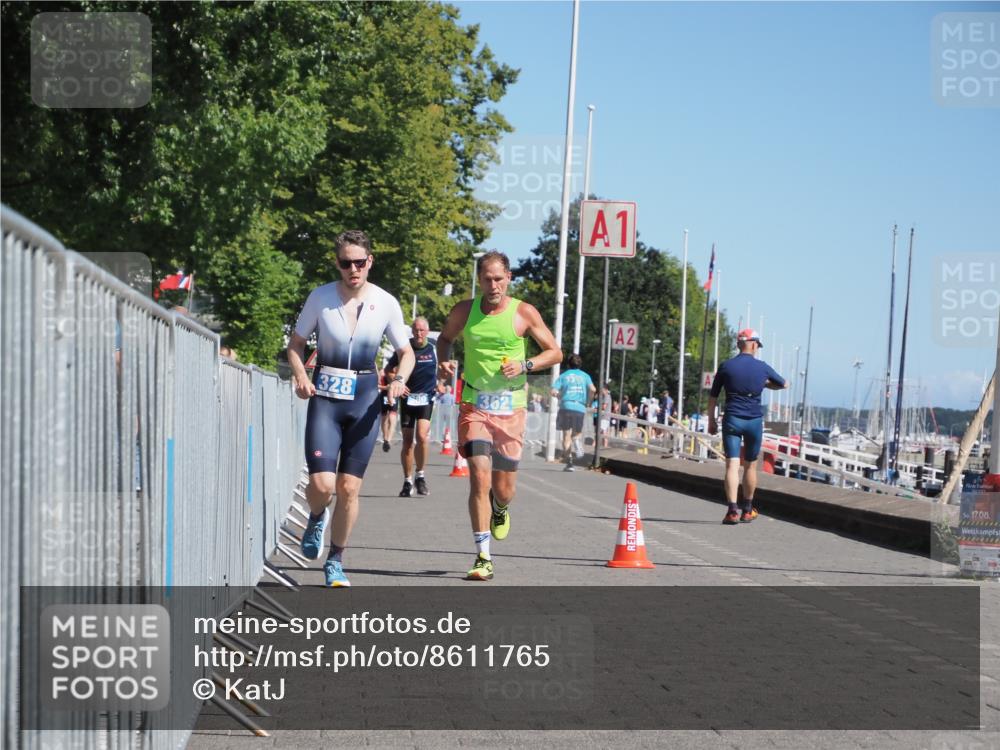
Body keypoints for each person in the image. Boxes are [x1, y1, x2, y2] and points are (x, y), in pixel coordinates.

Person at [287, 230, 414, 587]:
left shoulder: (386, 302)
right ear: (338, 264)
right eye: (346, 263)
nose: (353, 269)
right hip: (326, 399)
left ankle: (335, 560)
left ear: (370, 261)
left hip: (364, 401)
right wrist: (301, 375)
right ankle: (316, 516)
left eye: (359, 262)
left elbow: (406, 353)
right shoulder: (320, 297)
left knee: (348, 488)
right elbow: (295, 345)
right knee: (322, 484)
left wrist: (400, 379)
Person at [437, 251, 561, 581]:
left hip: (510, 409)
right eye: (487, 279)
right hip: (474, 404)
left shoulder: (524, 312)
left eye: (498, 279)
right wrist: (444, 361)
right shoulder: (464, 311)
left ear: (508, 278)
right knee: (479, 475)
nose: (493, 285)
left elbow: (555, 352)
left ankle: (500, 507)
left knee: (503, 490)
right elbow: (445, 339)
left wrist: (525, 365)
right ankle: (483, 556)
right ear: (479, 280)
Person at [707, 329, 787, 525]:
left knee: (732, 465)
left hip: (732, 419)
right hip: (753, 421)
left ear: (738, 344)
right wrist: (765, 384)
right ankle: (748, 509)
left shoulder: (726, 366)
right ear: (753, 344)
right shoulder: (762, 367)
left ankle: (732, 511)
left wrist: (711, 421)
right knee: (750, 466)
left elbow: (713, 397)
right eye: (757, 345)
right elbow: (784, 384)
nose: (757, 348)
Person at [385, 317, 438, 497]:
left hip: (426, 398)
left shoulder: (433, 348)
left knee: (422, 436)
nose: (418, 333)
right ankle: (407, 481)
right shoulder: (405, 349)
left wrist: (442, 381)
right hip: (407, 399)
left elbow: (442, 368)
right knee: (407, 442)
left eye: (422, 330)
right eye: (416, 330)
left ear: (427, 331)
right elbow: (389, 370)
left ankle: (420, 476)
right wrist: (397, 383)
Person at [551, 353, 596, 471]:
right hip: (579, 406)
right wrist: (589, 401)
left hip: (566, 406)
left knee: (566, 436)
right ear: (580, 364)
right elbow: (593, 389)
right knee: (576, 433)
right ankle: (576, 440)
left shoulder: (563, 375)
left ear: (568, 364)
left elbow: (553, 391)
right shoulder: (585, 376)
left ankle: (570, 463)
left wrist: (560, 396)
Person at [378, 363, 398, 452]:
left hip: (394, 396)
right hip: (384, 395)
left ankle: (388, 440)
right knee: (384, 418)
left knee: (392, 418)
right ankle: (385, 437)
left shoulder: (399, 372)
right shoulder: (382, 372)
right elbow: (376, 385)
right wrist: (385, 387)